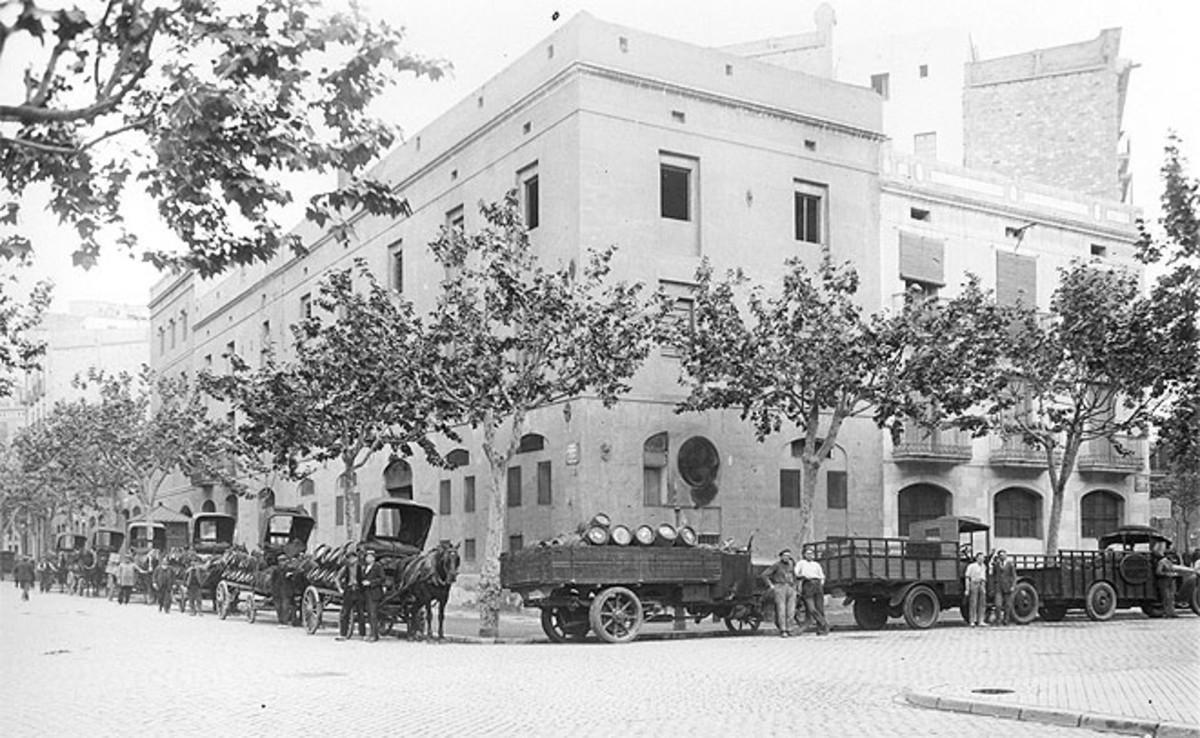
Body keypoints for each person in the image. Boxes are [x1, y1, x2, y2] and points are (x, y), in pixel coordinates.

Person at [760, 549, 797, 637]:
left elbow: (794, 575)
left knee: (791, 610)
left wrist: (795, 586)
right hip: (780, 586)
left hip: (790, 587)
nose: (787, 558)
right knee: (781, 609)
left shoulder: (791, 565)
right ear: (781, 557)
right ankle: (783, 630)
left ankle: (790, 629)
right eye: (785, 556)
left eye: (788, 556)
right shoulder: (776, 565)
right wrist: (771, 585)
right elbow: (764, 575)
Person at [794, 548, 830, 636]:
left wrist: (820, 584)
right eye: (808, 554)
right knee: (811, 608)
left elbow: (822, 576)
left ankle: (821, 629)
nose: (810, 555)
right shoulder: (801, 563)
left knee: (820, 608)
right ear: (804, 555)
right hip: (807, 584)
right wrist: (802, 576)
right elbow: (796, 573)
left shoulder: (816, 564)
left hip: (817, 585)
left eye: (811, 554)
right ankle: (824, 623)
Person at [336, 550, 365, 640]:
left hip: (358, 591)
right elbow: (337, 578)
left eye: (353, 558)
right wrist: (340, 589)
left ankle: (362, 634)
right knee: (345, 613)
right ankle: (343, 634)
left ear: (356, 559)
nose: (351, 560)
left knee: (361, 614)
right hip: (349, 591)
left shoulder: (361, 568)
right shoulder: (345, 568)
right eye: (349, 558)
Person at [361, 550, 385, 642]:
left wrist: (370, 583)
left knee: (373, 614)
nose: (368, 558)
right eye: (367, 557)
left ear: (374, 558)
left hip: (374, 593)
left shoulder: (378, 567)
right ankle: (371, 633)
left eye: (370, 557)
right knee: (370, 614)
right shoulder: (366, 567)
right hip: (367, 593)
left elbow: (382, 579)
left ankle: (374, 636)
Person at [991, 550, 1017, 626]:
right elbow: (993, 575)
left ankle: (1006, 620)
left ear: (1006, 556)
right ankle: (998, 620)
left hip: (1007, 587)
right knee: (998, 605)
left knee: (1007, 605)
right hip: (998, 587)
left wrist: (1013, 586)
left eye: (1003, 555)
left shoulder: (1010, 565)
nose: (1002, 556)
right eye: (1000, 555)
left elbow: (1014, 576)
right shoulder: (996, 565)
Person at [965, 552, 988, 627]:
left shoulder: (984, 566)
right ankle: (972, 621)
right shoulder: (971, 566)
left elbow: (984, 577)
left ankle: (981, 620)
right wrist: (967, 589)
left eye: (983, 558)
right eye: (980, 558)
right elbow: (967, 577)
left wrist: (984, 587)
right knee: (973, 603)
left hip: (981, 584)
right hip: (974, 583)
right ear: (977, 558)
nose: (982, 559)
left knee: (982, 603)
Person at [1155, 547, 1179, 618]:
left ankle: (1172, 612)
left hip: (1170, 580)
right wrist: (1166, 574)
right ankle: (1167, 613)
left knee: (1171, 597)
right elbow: (1158, 572)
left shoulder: (1170, 562)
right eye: (1170, 554)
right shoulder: (1162, 562)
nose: (1172, 556)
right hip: (1163, 581)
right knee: (1166, 597)